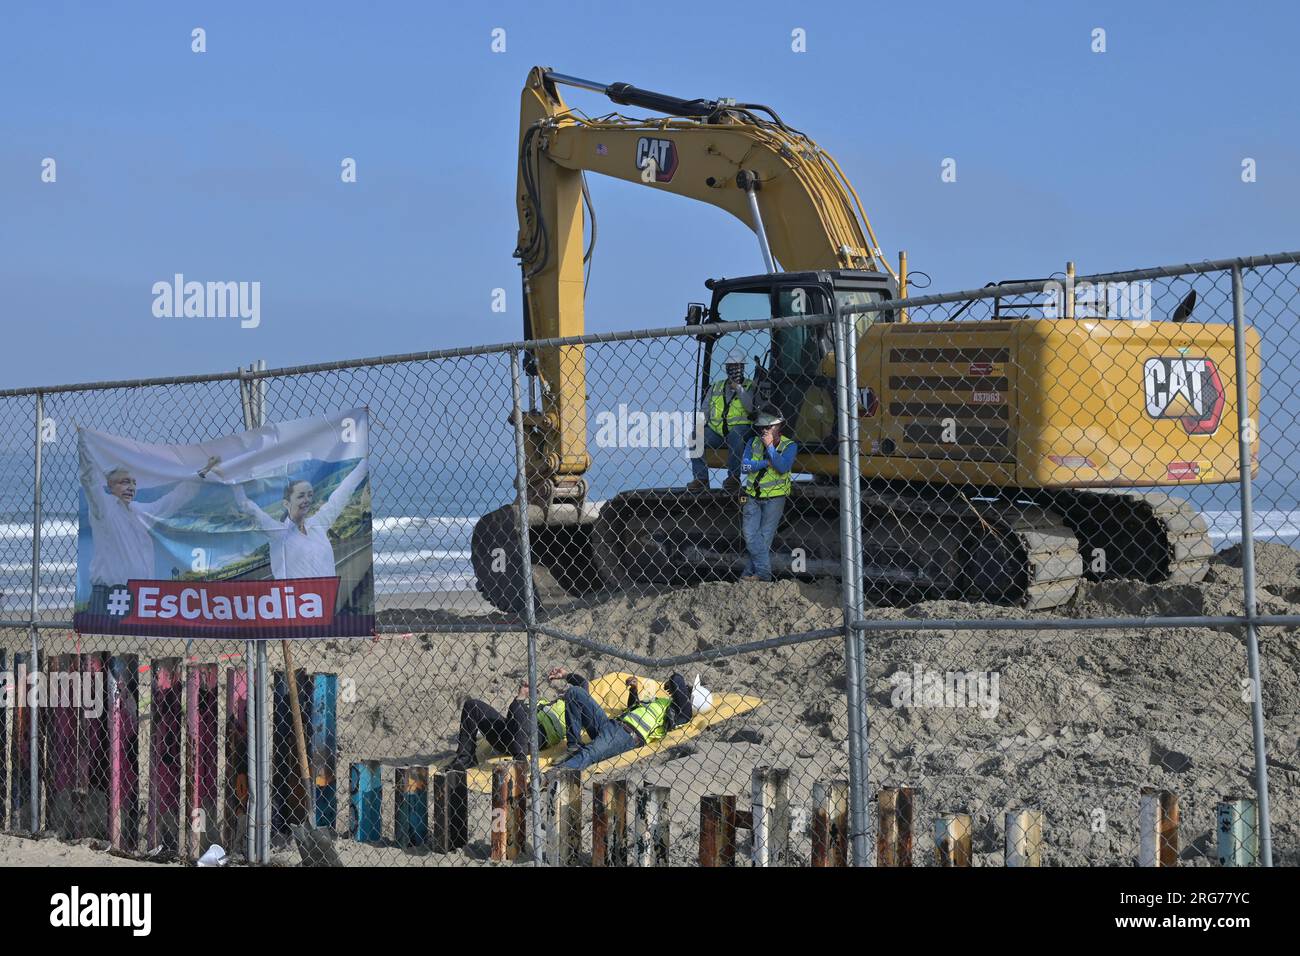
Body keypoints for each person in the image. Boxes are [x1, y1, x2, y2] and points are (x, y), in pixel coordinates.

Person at [77, 429, 209, 613]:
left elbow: (171, 501)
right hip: (108, 596)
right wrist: (86, 445)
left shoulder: (140, 511)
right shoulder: (104, 510)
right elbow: (89, 480)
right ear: (110, 486)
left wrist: (199, 476)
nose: (130, 487)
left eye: (133, 482)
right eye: (124, 482)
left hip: (139, 596)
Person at [232, 458, 368, 578]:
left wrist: (365, 463)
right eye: (301, 496)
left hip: (326, 602)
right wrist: (229, 476)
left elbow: (342, 493)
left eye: (309, 495)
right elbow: (247, 506)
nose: (307, 500)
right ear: (286, 503)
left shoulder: (317, 523)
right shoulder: (277, 532)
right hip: (296, 605)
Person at [443, 667, 584, 771]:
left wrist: (567, 676)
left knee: (518, 706)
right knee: (472, 705)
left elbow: (584, 686)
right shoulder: (546, 702)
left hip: (536, 738)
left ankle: (520, 761)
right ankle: (466, 758)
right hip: (510, 733)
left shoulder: (574, 707)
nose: (567, 694)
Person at [556, 672, 692, 771]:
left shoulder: (682, 713)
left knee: (590, 752)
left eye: (688, 690)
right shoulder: (661, 701)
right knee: (575, 692)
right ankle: (574, 746)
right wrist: (633, 691)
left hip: (627, 735)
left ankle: (557, 773)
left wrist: (674, 682)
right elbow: (632, 708)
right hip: (611, 723)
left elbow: (678, 682)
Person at [740, 412, 797, 582]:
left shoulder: (790, 445)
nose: (764, 430)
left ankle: (751, 576)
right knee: (750, 536)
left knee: (764, 539)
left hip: (775, 498)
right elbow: (745, 466)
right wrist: (765, 462)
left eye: (768, 427)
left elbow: (782, 466)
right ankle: (762, 575)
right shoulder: (753, 442)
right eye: (761, 428)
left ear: (779, 427)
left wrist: (770, 447)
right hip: (752, 496)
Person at [688, 350, 755, 493]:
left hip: (741, 430)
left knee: (736, 435)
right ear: (726, 368)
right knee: (694, 437)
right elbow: (704, 410)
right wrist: (699, 428)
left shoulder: (750, 386)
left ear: (743, 368)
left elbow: (751, 408)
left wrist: (739, 389)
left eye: (737, 366)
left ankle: (733, 478)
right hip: (717, 432)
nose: (734, 369)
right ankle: (701, 479)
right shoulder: (716, 387)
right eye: (730, 366)